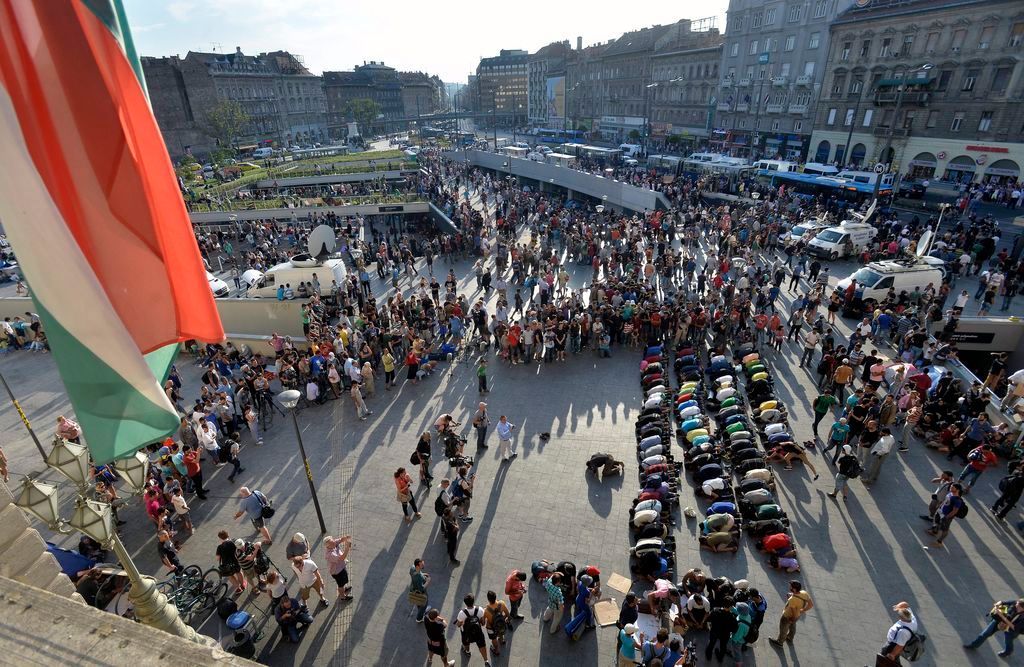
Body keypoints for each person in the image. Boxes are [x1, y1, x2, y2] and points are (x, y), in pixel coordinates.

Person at [768, 581, 813, 647]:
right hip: (798, 615)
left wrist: (792, 619)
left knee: (783, 629)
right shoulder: (804, 593)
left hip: (788, 616)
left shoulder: (792, 600)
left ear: (794, 589)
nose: (789, 587)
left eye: (791, 586)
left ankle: (780, 642)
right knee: (792, 626)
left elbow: (794, 612)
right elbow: (811, 604)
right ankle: (790, 637)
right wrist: (803, 610)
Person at [455, 593, 490, 665]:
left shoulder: (461, 613)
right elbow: (483, 623)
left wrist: (461, 623)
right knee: (482, 645)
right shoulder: (480, 610)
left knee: (466, 643)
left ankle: (467, 652)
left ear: (465, 603)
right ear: (473, 601)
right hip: (478, 632)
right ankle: (486, 660)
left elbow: (458, 625)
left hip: (466, 633)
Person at [927, 482, 965, 548]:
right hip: (940, 511)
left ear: (957, 490)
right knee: (936, 521)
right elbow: (945, 501)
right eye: (951, 486)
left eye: (952, 487)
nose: (950, 488)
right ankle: (934, 531)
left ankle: (939, 542)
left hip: (947, 515)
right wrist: (939, 506)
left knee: (945, 529)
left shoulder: (957, 500)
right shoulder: (950, 494)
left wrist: (947, 517)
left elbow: (955, 511)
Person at [216, 530, 245, 595]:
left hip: (226, 566)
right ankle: (242, 585)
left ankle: (238, 588)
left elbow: (217, 558)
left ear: (220, 538)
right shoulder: (233, 542)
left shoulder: (219, 547)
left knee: (230, 576)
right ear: (228, 535)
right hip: (235, 562)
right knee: (239, 572)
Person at [325, 535, 353, 601]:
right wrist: (347, 547)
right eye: (332, 543)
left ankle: (344, 588)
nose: (334, 543)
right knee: (340, 585)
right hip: (337, 572)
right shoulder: (330, 555)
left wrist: (346, 538)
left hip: (341, 568)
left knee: (343, 581)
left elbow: (340, 540)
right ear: (327, 546)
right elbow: (342, 558)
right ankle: (343, 597)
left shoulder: (333, 543)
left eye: (333, 541)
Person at [483, 590, 510, 656]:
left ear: (488, 599)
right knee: (500, 629)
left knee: (494, 639)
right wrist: (503, 619)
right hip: (500, 625)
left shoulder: (486, 610)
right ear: (495, 597)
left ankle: (497, 650)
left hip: (491, 628)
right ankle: (501, 640)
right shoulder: (501, 603)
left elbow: (483, 623)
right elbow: (507, 614)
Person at [409, 558, 430, 623]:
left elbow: (412, 573)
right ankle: (419, 618)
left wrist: (422, 574)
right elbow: (421, 588)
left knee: (418, 601)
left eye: (423, 563)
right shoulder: (419, 577)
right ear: (417, 566)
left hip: (413, 588)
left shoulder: (413, 567)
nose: (423, 565)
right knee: (424, 603)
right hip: (420, 591)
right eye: (422, 565)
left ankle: (420, 610)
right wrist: (427, 581)